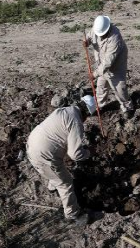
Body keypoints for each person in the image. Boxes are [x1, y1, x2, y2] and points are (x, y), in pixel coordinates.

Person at [26, 96, 96, 225]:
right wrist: (89, 152)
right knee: (65, 183)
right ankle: (72, 214)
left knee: (56, 169)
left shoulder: (65, 110)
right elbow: (75, 154)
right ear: (86, 113)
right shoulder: (76, 121)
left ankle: (52, 187)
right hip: (43, 155)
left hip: (32, 144)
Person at [84, 16, 134, 119]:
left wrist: (94, 74)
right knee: (101, 86)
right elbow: (89, 36)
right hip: (101, 63)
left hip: (116, 65)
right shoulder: (97, 28)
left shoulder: (115, 38)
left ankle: (127, 107)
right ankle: (98, 106)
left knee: (119, 88)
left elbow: (108, 62)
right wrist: (86, 41)